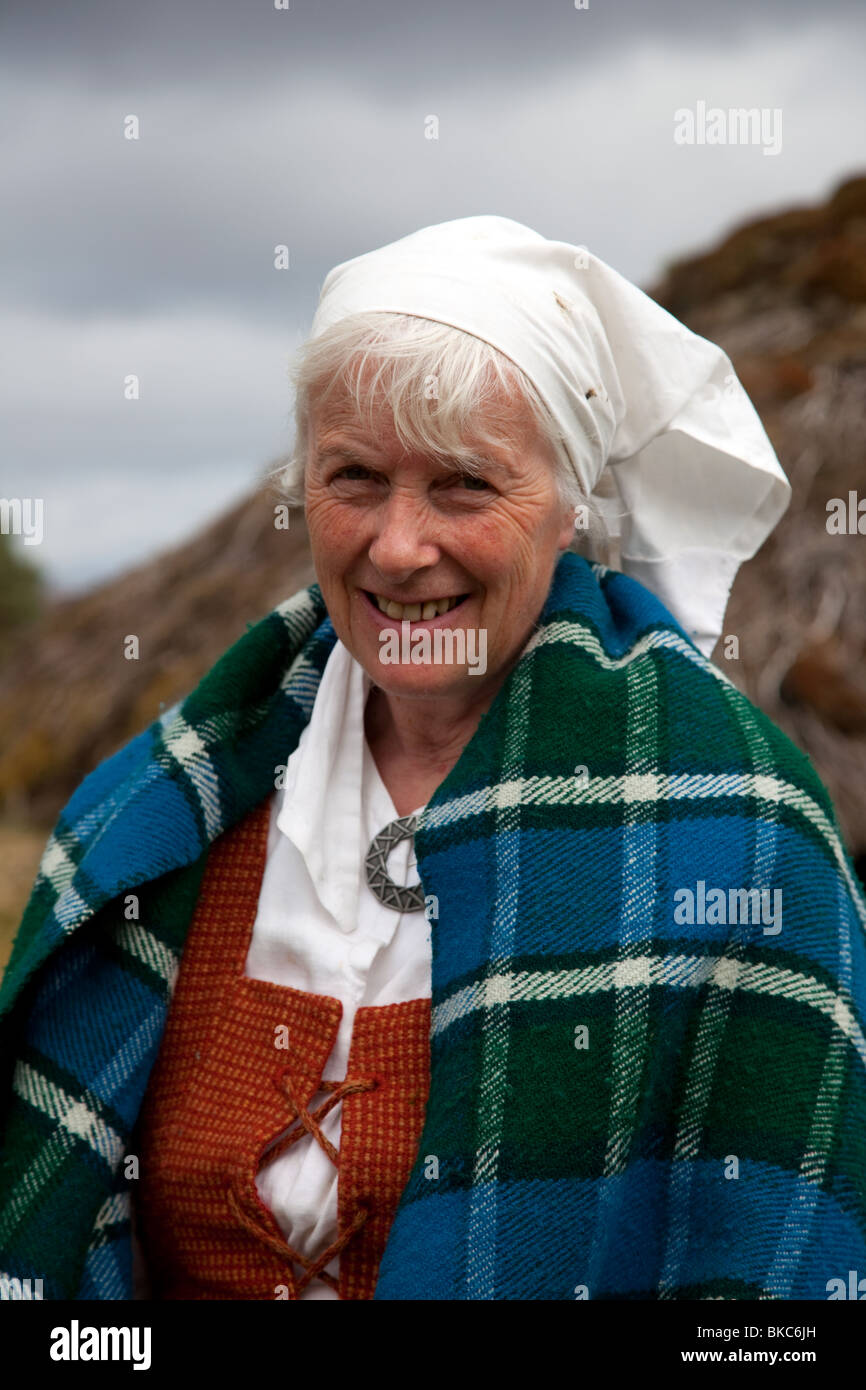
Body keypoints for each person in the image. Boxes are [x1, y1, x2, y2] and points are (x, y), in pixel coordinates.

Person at [1, 215, 864, 1301]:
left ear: (567, 509)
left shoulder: (736, 830)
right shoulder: (156, 813)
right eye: (354, 477)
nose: (399, 547)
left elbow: (773, 1277)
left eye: (462, 484)